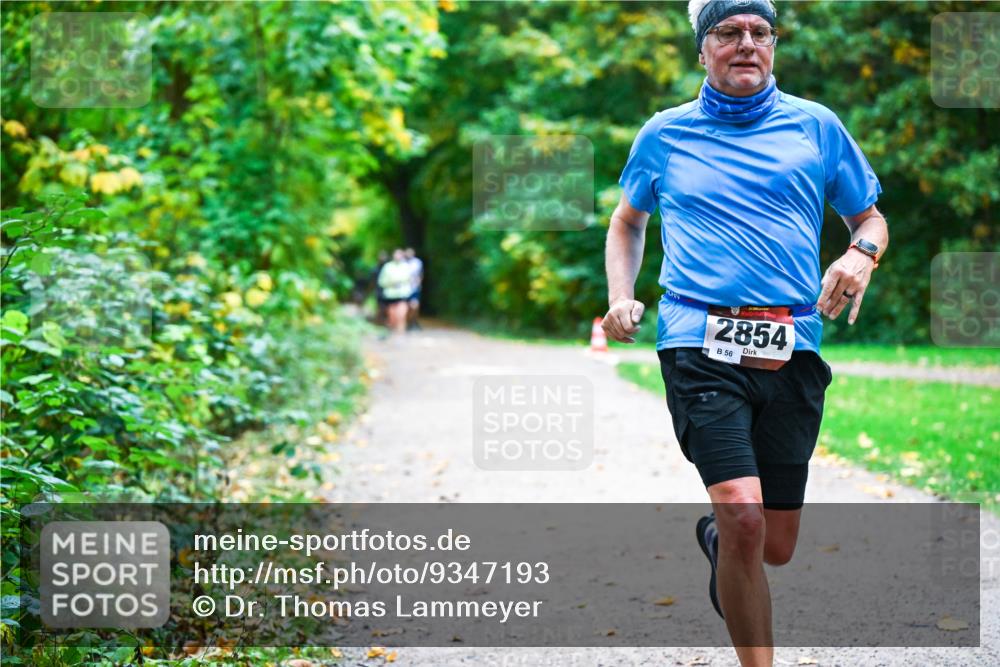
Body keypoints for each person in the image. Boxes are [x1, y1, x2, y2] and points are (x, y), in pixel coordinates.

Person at [602, 1, 887, 665]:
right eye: (728, 33)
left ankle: (719, 541)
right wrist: (621, 297)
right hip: (696, 339)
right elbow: (627, 220)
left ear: (774, 45)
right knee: (744, 515)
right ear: (702, 49)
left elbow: (869, 218)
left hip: (792, 344)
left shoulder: (815, 127)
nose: (746, 44)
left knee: (775, 544)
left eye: (760, 32)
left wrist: (860, 254)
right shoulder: (665, 134)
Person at [377, 249, 413, 335]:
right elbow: (381, 281)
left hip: (403, 295)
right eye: (396, 254)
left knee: (401, 316)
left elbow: (410, 279)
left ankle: (401, 336)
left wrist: (400, 282)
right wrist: (390, 283)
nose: (398, 256)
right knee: (392, 319)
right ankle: (393, 336)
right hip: (390, 296)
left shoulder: (406, 266)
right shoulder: (387, 266)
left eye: (399, 254)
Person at [404, 247, 424, 330]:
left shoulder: (417, 263)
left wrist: (419, 283)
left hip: (414, 288)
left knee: (414, 306)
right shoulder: (402, 263)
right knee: (406, 307)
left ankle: (413, 321)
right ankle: (408, 323)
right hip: (404, 290)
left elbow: (421, 274)